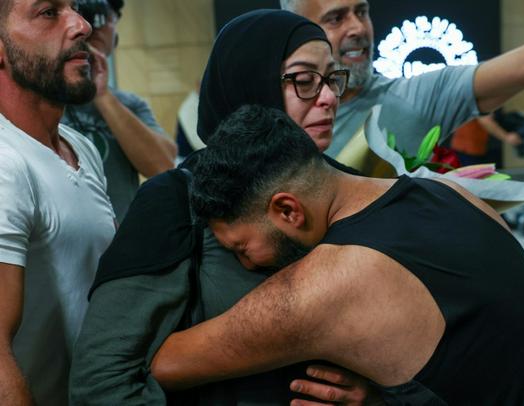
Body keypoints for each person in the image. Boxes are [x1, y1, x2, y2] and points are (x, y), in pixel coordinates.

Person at [151, 104, 524, 406]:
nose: (245, 264)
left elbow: (165, 363)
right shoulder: (452, 194)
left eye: (241, 247)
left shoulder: (329, 282)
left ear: (287, 210)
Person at [71, 10, 378, 405]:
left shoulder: (346, 187)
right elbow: (102, 380)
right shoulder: (178, 201)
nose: (330, 97)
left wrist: (375, 393)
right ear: (248, 85)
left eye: (333, 78)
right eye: (304, 81)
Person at [279, 0, 524, 177]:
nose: (358, 28)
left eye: (362, 12)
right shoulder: (269, 111)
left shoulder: (413, 97)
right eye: (336, 18)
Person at [0, 1, 116, 404]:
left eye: (76, 8)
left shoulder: (80, 147)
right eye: (49, 12)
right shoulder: (5, 163)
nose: (82, 25)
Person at [61, 0, 176, 222]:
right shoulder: (41, 99)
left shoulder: (129, 104)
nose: (91, 27)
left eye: (103, 20)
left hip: (122, 236)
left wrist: (102, 95)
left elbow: (163, 166)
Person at [451, 115, 522, 167]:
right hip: (467, 149)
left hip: (476, 149)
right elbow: (485, 120)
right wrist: (506, 137)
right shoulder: (480, 101)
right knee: (470, 179)